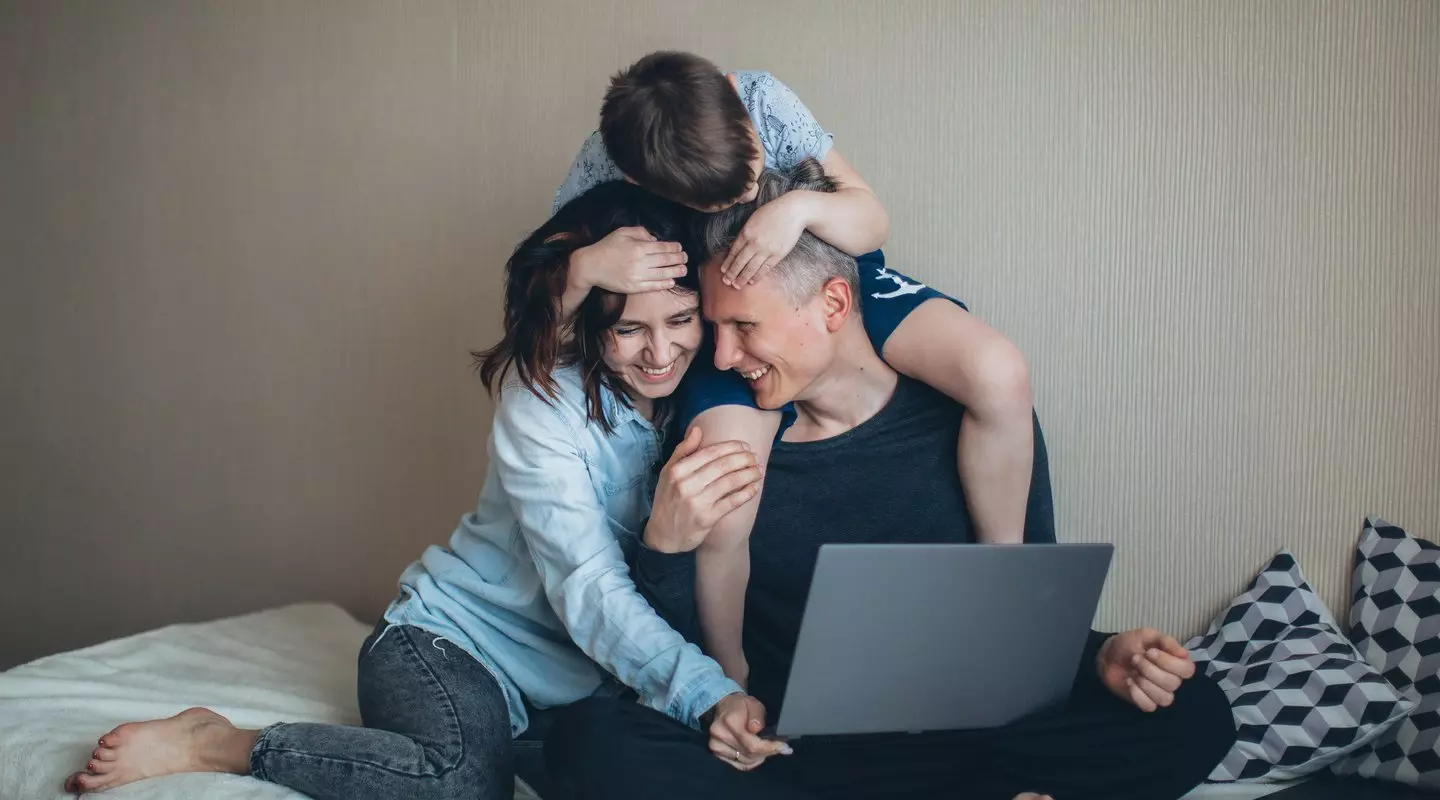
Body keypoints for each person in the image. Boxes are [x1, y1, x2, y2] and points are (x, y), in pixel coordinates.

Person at [542, 163, 1238, 800]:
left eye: (746, 327)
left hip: (977, 739)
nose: (721, 356)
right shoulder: (723, 444)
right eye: (717, 328)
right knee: (589, 744)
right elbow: (682, 660)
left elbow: (1015, 616)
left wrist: (1101, 659)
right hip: (809, 756)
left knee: (1196, 711)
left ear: (834, 306)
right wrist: (664, 548)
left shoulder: (970, 421)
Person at [61, 183, 764, 800]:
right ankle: (217, 741)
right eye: (629, 330)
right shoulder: (541, 401)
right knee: (461, 783)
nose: (660, 352)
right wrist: (706, 690)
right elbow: (588, 582)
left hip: (567, 691)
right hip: (447, 646)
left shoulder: (702, 400)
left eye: (680, 321)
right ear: (589, 326)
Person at [556, 49, 1039, 694]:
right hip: (724, 306)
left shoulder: (764, 96)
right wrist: (585, 265)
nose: (747, 198)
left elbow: (871, 217)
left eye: (750, 175)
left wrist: (801, 209)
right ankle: (729, 677)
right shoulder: (602, 168)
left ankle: (1004, 575)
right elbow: (543, 300)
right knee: (727, 498)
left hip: (827, 271)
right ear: (643, 183)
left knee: (998, 371)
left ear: (738, 104)